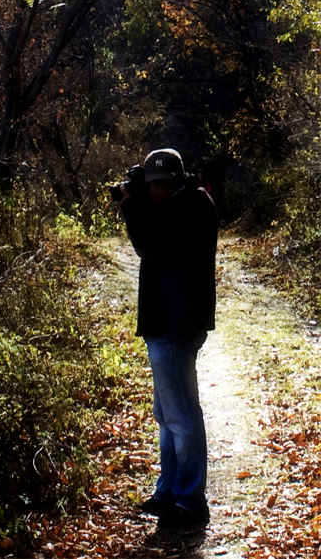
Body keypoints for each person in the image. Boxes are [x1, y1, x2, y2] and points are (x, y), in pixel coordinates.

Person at [117, 147, 218, 532]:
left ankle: (190, 502)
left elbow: (151, 245)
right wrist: (139, 202)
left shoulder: (195, 205)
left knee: (181, 416)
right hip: (164, 322)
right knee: (167, 416)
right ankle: (170, 492)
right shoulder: (176, 205)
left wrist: (132, 208)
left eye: (160, 184)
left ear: (176, 182)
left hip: (179, 324)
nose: (154, 191)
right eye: (150, 184)